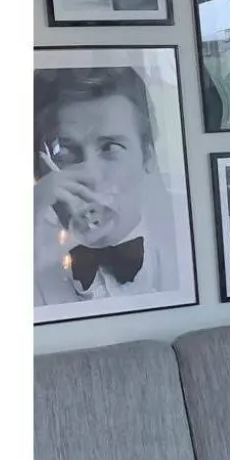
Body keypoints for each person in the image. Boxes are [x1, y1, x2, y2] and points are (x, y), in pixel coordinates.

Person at [33, 66, 176, 306]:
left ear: (148, 156)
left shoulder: (188, 252)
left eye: (110, 147)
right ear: (38, 170)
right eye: (65, 152)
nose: (91, 175)